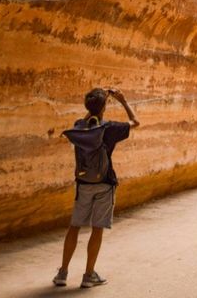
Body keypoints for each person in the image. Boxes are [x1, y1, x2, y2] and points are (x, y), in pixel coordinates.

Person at [53, 87, 140, 288]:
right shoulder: (109, 128)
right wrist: (123, 101)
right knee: (97, 229)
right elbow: (136, 122)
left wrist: (95, 108)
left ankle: (62, 274)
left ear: (87, 106)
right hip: (104, 183)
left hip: (83, 184)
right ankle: (89, 275)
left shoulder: (79, 126)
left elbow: (86, 122)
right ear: (104, 107)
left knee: (74, 227)